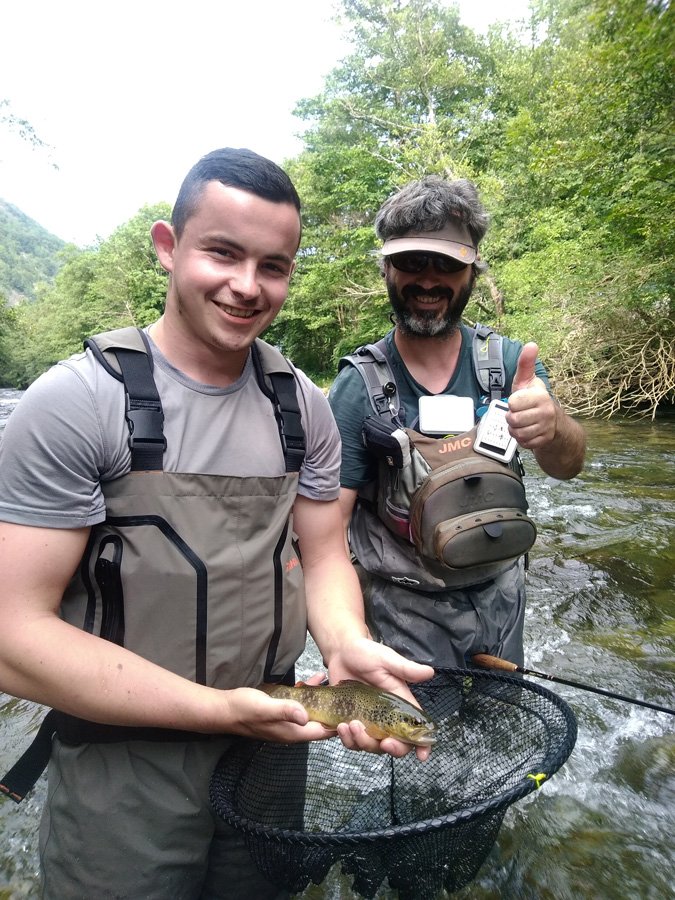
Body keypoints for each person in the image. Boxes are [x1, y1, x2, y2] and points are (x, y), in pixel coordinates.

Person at [0, 148, 434, 900]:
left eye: (273, 265)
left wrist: (347, 643)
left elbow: (324, 556)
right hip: (122, 763)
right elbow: (11, 636)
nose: (246, 285)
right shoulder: (75, 403)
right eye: (222, 253)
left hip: (271, 743)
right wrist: (216, 711)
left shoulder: (303, 405)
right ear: (168, 248)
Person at [328, 175, 587, 669]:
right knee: (426, 742)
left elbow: (568, 467)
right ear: (387, 267)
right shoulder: (357, 386)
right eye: (411, 261)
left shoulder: (513, 364)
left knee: (501, 725)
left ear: (472, 271)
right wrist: (349, 637)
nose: (428, 279)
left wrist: (553, 429)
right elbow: (327, 534)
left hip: (502, 594)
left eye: (447, 263)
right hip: (402, 611)